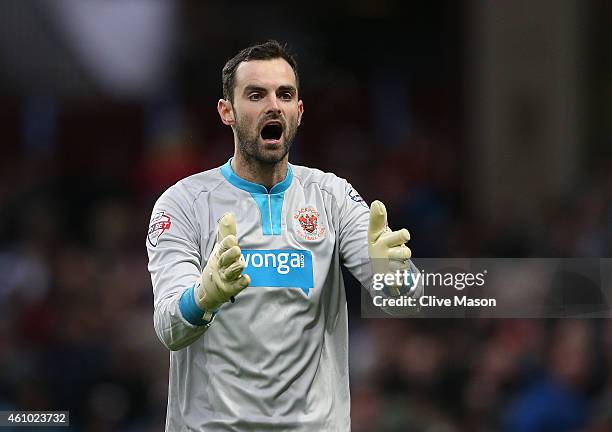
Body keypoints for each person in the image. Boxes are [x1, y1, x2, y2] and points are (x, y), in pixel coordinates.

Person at [147, 40, 419, 431]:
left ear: (299, 111)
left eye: (285, 94)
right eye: (256, 95)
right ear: (227, 111)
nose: (273, 105)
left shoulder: (332, 197)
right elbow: (169, 327)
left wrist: (396, 275)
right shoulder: (183, 204)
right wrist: (204, 296)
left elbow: (405, 304)